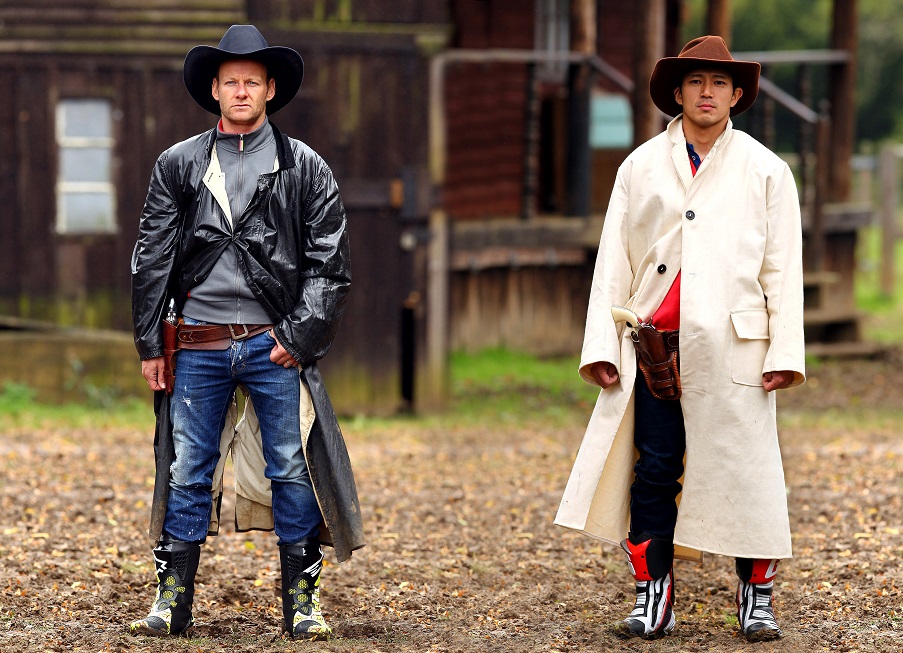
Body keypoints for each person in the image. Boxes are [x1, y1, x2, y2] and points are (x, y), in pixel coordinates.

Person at [555, 35, 805, 643]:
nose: (707, 93)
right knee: (655, 471)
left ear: (737, 95)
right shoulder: (639, 167)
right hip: (655, 347)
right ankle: (654, 595)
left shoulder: (767, 170)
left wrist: (785, 351)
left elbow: (782, 270)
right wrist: (602, 346)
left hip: (736, 347)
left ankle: (756, 597)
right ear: (678, 92)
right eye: (696, 81)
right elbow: (613, 262)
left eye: (719, 83)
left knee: (747, 470)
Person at [129, 24, 364, 639]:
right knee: (187, 466)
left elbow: (330, 263)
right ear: (214, 88)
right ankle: (171, 600)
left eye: (251, 82)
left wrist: (298, 336)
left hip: (272, 345)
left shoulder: (304, 166)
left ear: (269, 90)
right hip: (197, 342)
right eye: (230, 81)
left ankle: (302, 603)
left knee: (290, 465)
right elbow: (152, 256)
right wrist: (152, 343)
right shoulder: (178, 164)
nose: (240, 91)